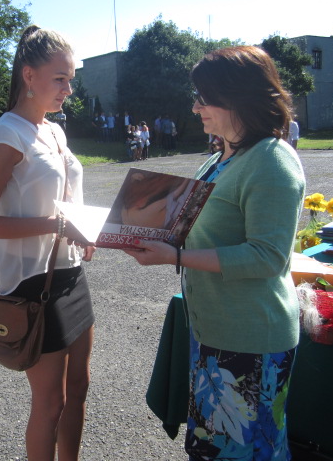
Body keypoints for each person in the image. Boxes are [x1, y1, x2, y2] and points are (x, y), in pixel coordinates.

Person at [125, 46, 305, 460]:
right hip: (215, 332)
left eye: (203, 98)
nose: (195, 107)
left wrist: (175, 257)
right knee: (213, 448)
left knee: (243, 452)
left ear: (237, 98)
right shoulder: (223, 155)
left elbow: (266, 257)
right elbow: (196, 225)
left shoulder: (272, 161)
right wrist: (140, 229)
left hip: (251, 337)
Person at [0, 25, 95, 461]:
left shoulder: (54, 131)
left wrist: (84, 229)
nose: (68, 89)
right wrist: (57, 226)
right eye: (60, 78)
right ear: (29, 75)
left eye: (70, 79)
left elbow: (67, 197)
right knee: (50, 403)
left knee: (79, 387)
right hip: (33, 282)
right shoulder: (7, 133)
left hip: (71, 273)